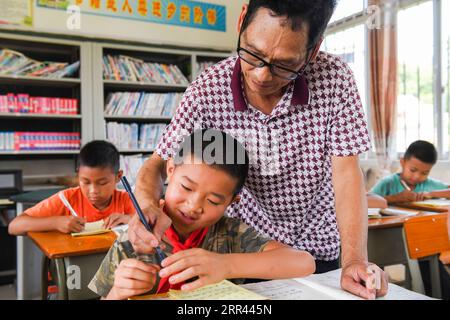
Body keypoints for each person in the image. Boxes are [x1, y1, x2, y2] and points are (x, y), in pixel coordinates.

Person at [129, 0, 388, 300]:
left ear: (313, 50)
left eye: (284, 65)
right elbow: (156, 164)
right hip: (247, 250)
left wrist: (354, 260)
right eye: (252, 53)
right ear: (242, 21)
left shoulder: (335, 80)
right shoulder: (207, 92)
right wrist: (147, 203)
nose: (262, 76)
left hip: (321, 246)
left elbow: (346, 175)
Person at [88, 129, 316, 300]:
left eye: (214, 200)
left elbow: (304, 263)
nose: (194, 206)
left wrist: (227, 265)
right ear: (170, 170)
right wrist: (117, 291)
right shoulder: (138, 234)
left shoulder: (231, 233)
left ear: (232, 201)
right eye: (186, 188)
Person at [8, 140, 135, 235]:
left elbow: (150, 224)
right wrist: (56, 222)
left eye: (102, 183)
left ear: (118, 177)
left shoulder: (127, 199)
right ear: (78, 174)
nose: (93, 191)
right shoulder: (66, 199)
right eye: (85, 182)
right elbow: (14, 226)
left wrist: (129, 219)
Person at [370, 140, 450, 204]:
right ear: (402, 162)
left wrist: (432, 194)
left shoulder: (431, 185)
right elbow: (366, 201)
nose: (417, 177)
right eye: (413, 170)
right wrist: (396, 198)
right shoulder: (387, 183)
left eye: (424, 173)